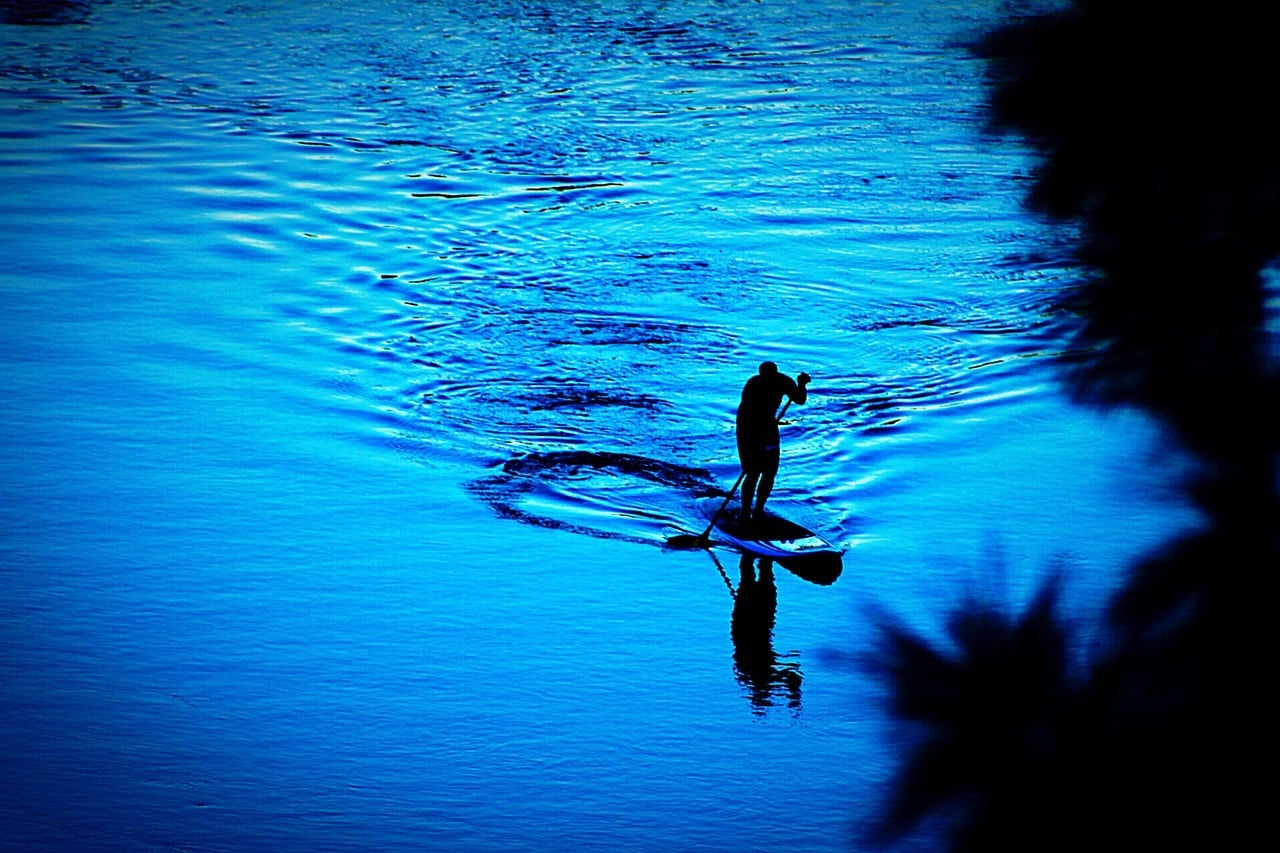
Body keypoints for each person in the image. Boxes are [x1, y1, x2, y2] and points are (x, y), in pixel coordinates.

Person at [735, 361, 810, 523]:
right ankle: (745, 514)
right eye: (765, 376)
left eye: (771, 375)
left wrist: (801, 385)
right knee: (752, 472)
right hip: (747, 428)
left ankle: (759, 511)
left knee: (769, 472)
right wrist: (754, 442)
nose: (768, 379)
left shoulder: (783, 380)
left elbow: (799, 399)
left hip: (769, 428)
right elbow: (747, 412)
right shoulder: (753, 384)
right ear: (760, 374)